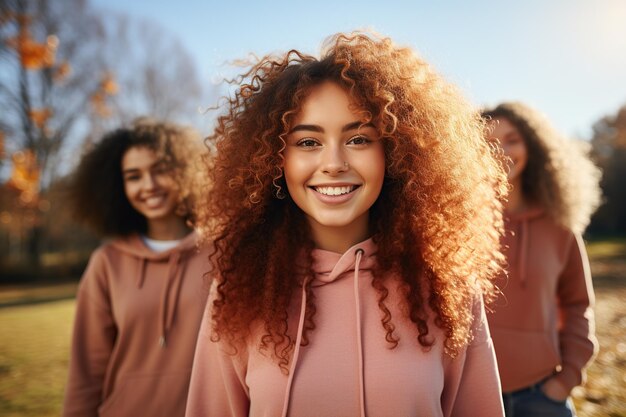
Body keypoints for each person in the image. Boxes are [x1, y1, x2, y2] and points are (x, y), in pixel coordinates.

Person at [187, 32, 508, 417]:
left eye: (358, 139)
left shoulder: (444, 284)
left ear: (394, 152)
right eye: (308, 143)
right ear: (275, 160)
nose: (334, 163)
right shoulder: (241, 288)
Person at [62, 118, 211, 417]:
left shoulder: (223, 252)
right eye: (134, 176)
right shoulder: (107, 262)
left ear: (185, 171)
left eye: (160, 170)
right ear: (119, 186)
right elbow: (87, 369)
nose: (149, 185)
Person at [482, 102, 602, 417]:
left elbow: (577, 304)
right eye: (489, 141)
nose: (501, 151)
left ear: (532, 146)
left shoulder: (559, 226)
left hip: (541, 395)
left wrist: (567, 377)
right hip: (470, 396)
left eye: (512, 139)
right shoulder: (457, 222)